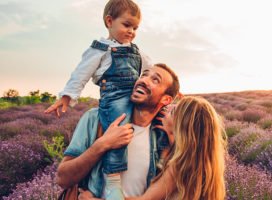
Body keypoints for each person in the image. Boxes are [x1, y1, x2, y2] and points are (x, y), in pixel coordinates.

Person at [44, 0, 161, 199]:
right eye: (127, 25)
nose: (131, 31)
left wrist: (174, 90)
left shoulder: (136, 50)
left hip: (132, 97)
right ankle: (112, 180)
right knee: (120, 130)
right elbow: (81, 73)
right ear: (109, 21)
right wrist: (66, 96)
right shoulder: (100, 48)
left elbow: (153, 68)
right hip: (114, 98)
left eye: (135, 27)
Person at [56, 64, 180, 199]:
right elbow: (63, 179)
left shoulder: (162, 136)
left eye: (155, 80)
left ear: (166, 99)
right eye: (144, 75)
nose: (143, 80)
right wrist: (102, 144)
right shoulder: (95, 119)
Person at [125, 96, 227, 200]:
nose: (166, 109)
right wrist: (170, 135)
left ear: (180, 129)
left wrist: (107, 142)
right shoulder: (201, 164)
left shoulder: (181, 166)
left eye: (172, 112)